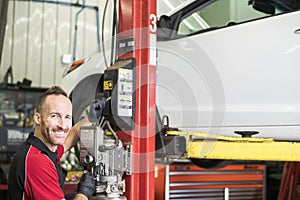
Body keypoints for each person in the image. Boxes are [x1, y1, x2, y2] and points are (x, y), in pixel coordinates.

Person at [8, 86, 95, 200]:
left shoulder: (44, 149)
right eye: (55, 116)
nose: (63, 125)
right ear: (38, 118)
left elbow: (71, 136)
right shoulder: (37, 161)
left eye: (67, 117)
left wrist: (94, 116)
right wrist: (83, 194)